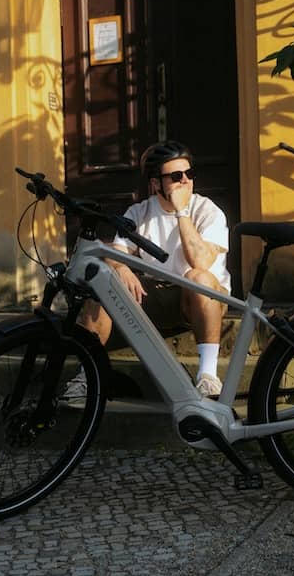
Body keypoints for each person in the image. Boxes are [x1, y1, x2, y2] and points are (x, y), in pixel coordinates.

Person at [67, 140, 231, 398]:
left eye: (189, 174)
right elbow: (117, 252)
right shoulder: (139, 212)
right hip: (154, 294)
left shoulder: (207, 210)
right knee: (102, 283)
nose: (185, 181)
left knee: (198, 276)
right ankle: (87, 376)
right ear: (155, 183)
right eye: (176, 176)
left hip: (201, 298)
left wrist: (181, 212)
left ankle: (208, 376)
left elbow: (201, 262)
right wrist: (121, 267)